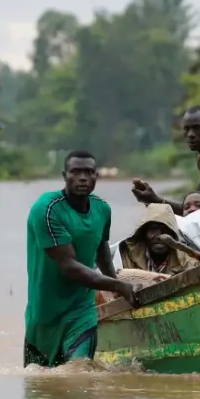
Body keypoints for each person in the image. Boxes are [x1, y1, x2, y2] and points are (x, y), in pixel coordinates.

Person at [24, 150, 141, 369]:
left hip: (82, 310)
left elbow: (102, 250)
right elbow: (69, 267)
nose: (83, 177)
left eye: (89, 172)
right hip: (44, 312)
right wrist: (118, 285)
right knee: (39, 383)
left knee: (79, 370)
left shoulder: (102, 210)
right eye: (75, 172)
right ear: (64, 175)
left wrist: (114, 285)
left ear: (97, 176)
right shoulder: (47, 210)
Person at [118, 203, 199, 275]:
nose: (159, 236)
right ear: (143, 233)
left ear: (173, 235)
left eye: (165, 230)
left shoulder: (186, 260)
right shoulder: (127, 255)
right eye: (153, 229)